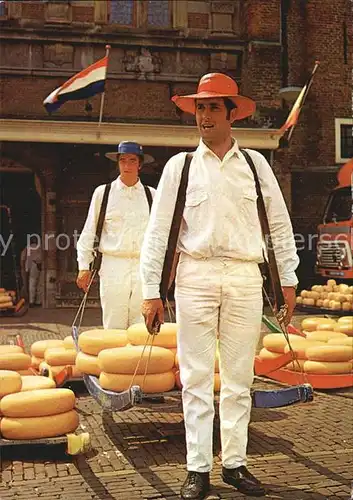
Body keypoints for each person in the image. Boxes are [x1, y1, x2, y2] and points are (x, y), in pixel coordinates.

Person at [140, 73, 299, 499]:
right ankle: (197, 469)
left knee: (238, 377)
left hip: (246, 278)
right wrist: (151, 290)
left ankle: (234, 464)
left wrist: (289, 280)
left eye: (212, 107)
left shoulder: (255, 165)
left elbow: (279, 226)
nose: (204, 115)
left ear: (231, 114)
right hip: (196, 276)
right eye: (199, 107)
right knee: (194, 377)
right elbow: (159, 234)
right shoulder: (181, 167)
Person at [76, 141, 155, 330]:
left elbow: (159, 236)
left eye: (132, 161)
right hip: (113, 265)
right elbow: (89, 231)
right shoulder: (103, 193)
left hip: (143, 266)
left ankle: (138, 361)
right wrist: (83, 266)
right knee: (114, 323)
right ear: (118, 163)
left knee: (141, 325)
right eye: (123, 161)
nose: (127, 166)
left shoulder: (151, 195)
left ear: (140, 165)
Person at [21, 235, 42, 307]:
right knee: (39, 284)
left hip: (32, 265)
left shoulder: (27, 248)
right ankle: (38, 301)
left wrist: (24, 268)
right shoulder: (39, 247)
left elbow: (23, 258)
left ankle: (31, 301)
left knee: (32, 283)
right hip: (39, 265)